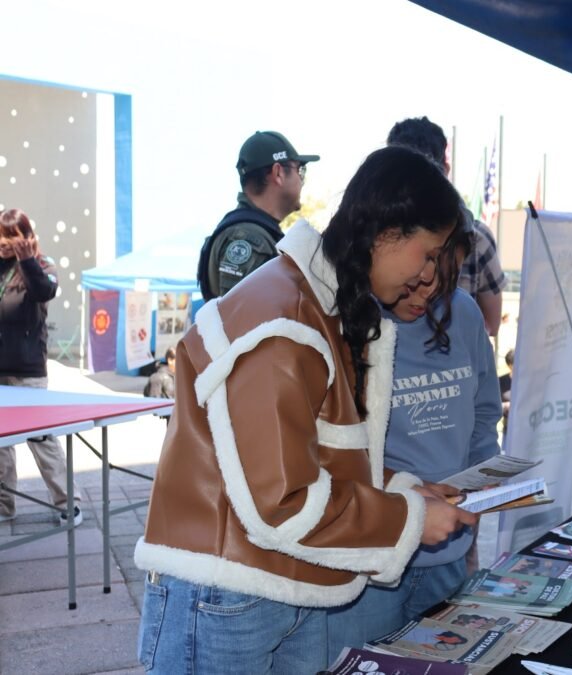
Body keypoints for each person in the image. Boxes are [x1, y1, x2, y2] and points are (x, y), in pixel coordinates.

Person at [134, 146, 478, 673]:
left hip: (272, 583)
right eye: (428, 254)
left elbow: (312, 456)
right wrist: (408, 519)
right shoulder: (284, 320)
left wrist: (403, 488)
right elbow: (283, 501)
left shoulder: (322, 307)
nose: (429, 279)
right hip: (226, 595)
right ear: (386, 227)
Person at [327, 211, 501, 655]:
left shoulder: (462, 314)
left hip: (449, 551)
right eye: (421, 277)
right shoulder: (347, 322)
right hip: (372, 564)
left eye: (442, 281)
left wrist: (482, 485)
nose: (426, 292)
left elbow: (483, 411)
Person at [386, 116, 507, 336]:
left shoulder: (475, 237)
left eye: (439, 258)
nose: (429, 285)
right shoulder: (371, 236)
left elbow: (488, 327)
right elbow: (491, 324)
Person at [0, 208, 82, 528]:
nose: (5, 243)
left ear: (26, 236)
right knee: (1, 445)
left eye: (11, 236)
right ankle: (4, 505)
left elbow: (44, 290)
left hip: (28, 371)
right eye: (1, 236)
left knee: (41, 438)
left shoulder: (41, 265)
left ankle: (68, 502)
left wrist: (27, 260)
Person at [196, 130, 319, 300]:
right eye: (300, 170)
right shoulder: (249, 239)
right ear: (278, 173)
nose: (302, 180)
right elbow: (240, 320)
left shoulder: (257, 234)